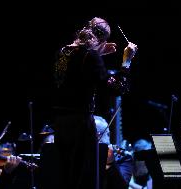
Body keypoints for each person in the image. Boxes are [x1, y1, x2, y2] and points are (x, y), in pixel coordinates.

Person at [52, 17, 138, 189]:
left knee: (66, 176)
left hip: (60, 123)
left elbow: (79, 72)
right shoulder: (90, 56)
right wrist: (126, 61)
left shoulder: (64, 51)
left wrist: (98, 52)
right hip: (80, 124)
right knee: (84, 178)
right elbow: (117, 88)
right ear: (102, 39)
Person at [94, 115, 133, 189]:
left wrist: (108, 157)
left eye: (98, 134)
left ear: (108, 135)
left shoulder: (123, 156)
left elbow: (121, 186)